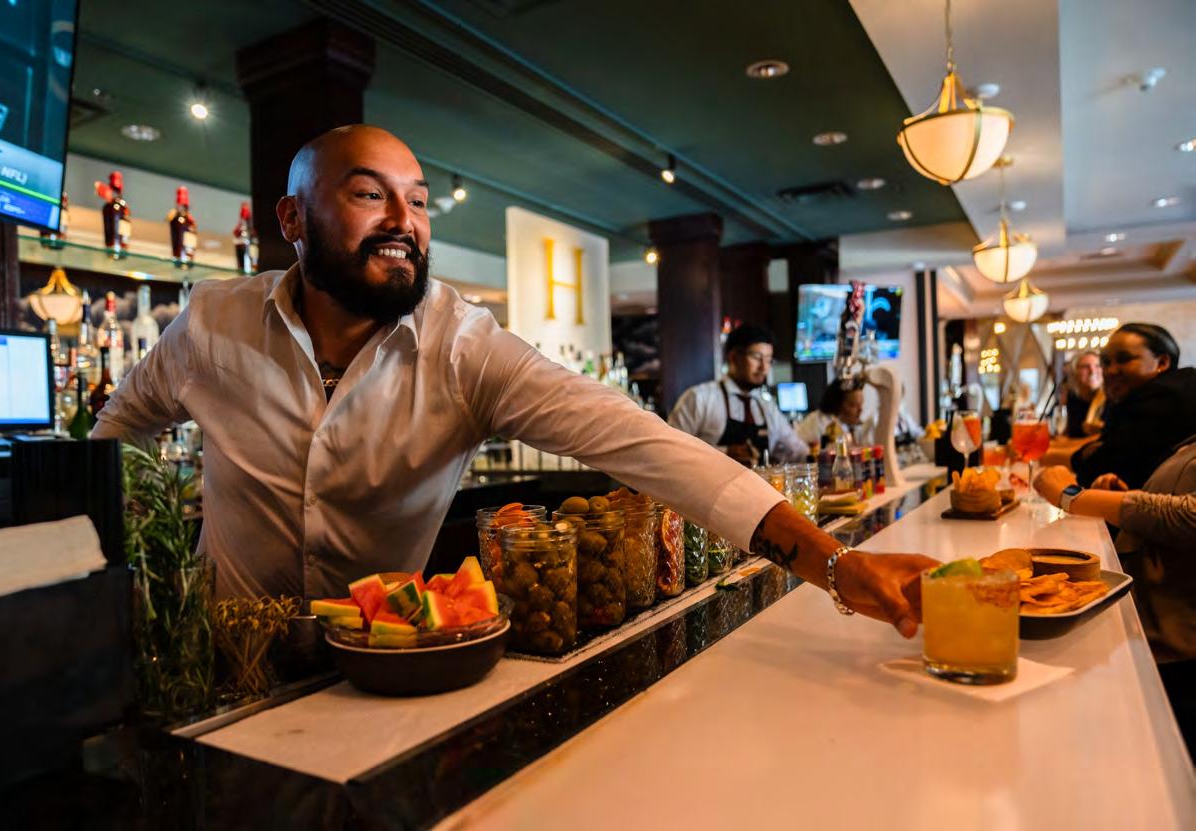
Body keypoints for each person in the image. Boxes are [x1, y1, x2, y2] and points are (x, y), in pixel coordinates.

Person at [93, 125, 936, 636]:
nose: (403, 222)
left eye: (418, 201)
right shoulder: (212, 326)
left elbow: (645, 445)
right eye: (369, 195)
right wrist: (130, 579)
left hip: (383, 664)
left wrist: (833, 565)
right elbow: (110, 441)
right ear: (292, 219)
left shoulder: (463, 350)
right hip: (216, 663)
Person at [1035, 436, 1196, 748]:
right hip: (1141, 631)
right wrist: (1120, 496)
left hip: (1175, 663)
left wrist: (1072, 496)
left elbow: (1188, 516)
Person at [1049, 323, 1196, 489]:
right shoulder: (1135, 399)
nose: (1110, 371)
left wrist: (1086, 455)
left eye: (1124, 359)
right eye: (1106, 362)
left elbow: (1101, 466)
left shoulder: (1167, 396)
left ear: (1161, 362)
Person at [667, 324, 807, 466]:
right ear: (733, 358)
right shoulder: (699, 398)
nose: (764, 367)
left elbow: (797, 450)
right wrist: (725, 452)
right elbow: (669, 450)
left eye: (768, 359)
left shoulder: (766, 406)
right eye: (757, 357)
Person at [795, 377, 874, 447]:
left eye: (861, 404)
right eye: (853, 405)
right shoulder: (818, 424)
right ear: (838, 405)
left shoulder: (853, 426)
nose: (860, 410)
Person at [1062, 350, 1104, 438]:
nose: (1092, 371)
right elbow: (1070, 431)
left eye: (1098, 366)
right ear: (1074, 372)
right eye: (1085, 367)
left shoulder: (1111, 399)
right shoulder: (1072, 396)